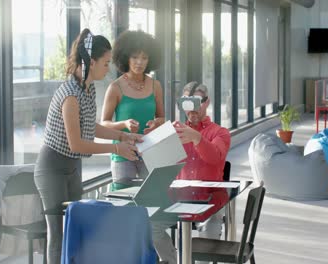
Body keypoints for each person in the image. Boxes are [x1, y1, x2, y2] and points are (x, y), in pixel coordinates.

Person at [34, 28, 142, 264]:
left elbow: (90, 127)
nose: (108, 68)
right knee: (58, 233)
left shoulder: (87, 88)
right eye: (105, 63)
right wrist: (115, 148)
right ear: (91, 62)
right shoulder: (70, 94)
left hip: (72, 166)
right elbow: (76, 144)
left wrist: (123, 136)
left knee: (76, 227)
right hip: (51, 167)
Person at [152, 81, 231, 264]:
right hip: (179, 200)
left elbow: (215, 158)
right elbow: (159, 163)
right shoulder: (174, 131)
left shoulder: (220, 132)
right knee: (150, 226)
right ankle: (173, 261)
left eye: (197, 102)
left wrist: (197, 138)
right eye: (187, 103)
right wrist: (153, 139)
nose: (193, 109)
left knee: (206, 244)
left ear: (207, 102)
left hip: (211, 201)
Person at [101, 30, 164, 191]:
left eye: (144, 57)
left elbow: (162, 118)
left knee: (151, 197)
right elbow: (104, 124)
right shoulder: (115, 87)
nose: (139, 62)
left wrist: (156, 123)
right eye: (135, 57)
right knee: (122, 201)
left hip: (149, 150)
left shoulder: (155, 86)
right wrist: (124, 124)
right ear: (126, 57)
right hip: (123, 153)